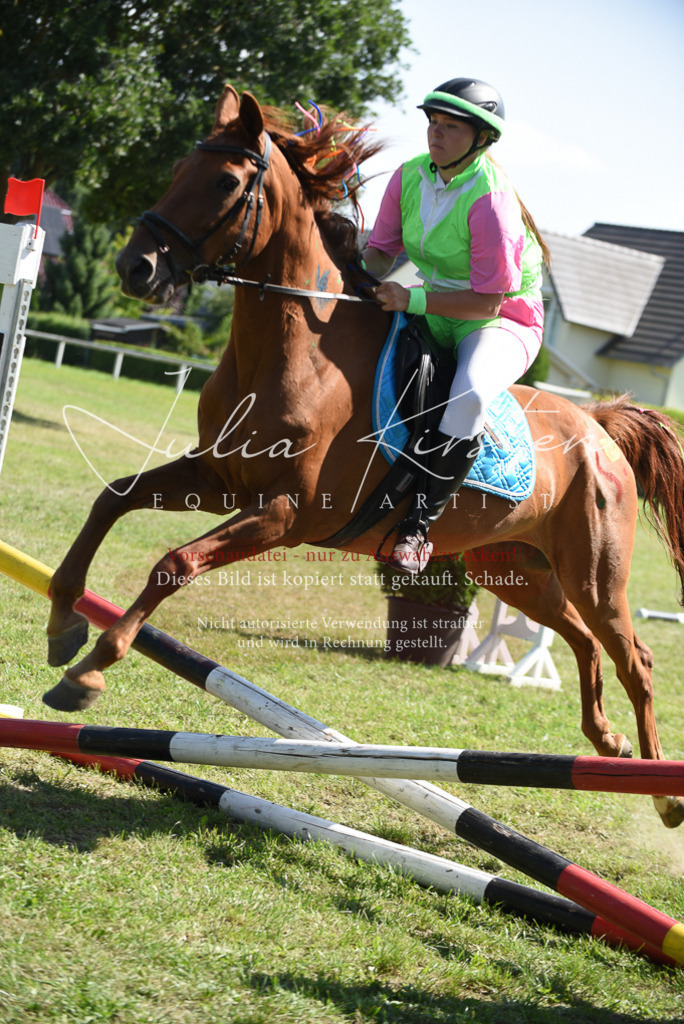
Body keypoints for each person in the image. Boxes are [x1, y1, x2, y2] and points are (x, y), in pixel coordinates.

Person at [362, 77, 548, 573]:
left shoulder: (492, 201)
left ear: (482, 139)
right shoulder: (408, 176)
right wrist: (372, 277)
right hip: (430, 298)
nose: (435, 135)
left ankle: (419, 527)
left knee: (468, 395)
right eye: (433, 123)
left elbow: (487, 303)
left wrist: (411, 297)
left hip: (499, 318)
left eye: (450, 127)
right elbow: (380, 250)